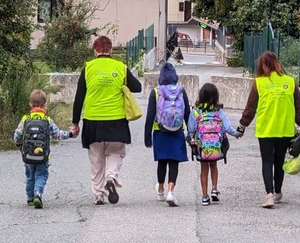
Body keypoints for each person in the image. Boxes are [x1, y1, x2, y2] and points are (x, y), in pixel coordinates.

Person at [71, 36, 142, 205]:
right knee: (116, 152)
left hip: (92, 121)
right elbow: (137, 87)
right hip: (116, 121)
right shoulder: (120, 67)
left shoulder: (87, 68)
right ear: (111, 50)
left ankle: (98, 195)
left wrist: (75, 123)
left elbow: (79, 97)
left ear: (95, 51)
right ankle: (111, 177)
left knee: (96, 159)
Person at [237, 51, 300, 208]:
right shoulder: (290, 82)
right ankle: (278, 192)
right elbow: (298, 109)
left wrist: (241, 127)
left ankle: (268, 195)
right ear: (277, 63)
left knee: (267, 161)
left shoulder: (259, 83)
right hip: (285, 130)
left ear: (262, 65)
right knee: (279, 161)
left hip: (266, 130)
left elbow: (250, 109)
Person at [13, 89, 73, 209]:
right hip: (42, 155)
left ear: (30, 104)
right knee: (41, 174)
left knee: (30, 175)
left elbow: (17, 135)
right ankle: (38, 194)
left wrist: (18, 143)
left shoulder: (26, 119)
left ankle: (30, 198)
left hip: (28, 155)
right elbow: (57, 134)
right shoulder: (47, 120)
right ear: (45, 104)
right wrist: (70, 134)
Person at [187, 83, 242, 206]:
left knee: (203, 169)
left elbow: (191, 130)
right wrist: (237, 134)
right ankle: (214, 189)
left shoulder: (196, 112)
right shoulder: (218, 111)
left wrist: (191, 139)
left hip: (202, 147)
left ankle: (205, 196)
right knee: (214, 165)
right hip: (216, 146)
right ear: (215, 97)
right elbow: (227, 127)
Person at [144, 62, 190, 207]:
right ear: (175, 77)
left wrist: (147, 137)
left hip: (160, 131)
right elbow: (187, 114)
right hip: (177, 131)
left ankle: (161, 189)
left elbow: (150, 116)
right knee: (174, 161)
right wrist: (191, 134)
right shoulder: (181, 91)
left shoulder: (156, 92)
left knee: (162, 161)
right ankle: (171, 191)